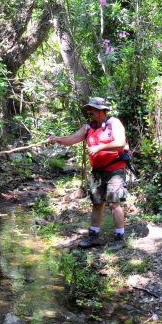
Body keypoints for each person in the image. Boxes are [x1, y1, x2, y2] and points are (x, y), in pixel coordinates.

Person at [48, 97, 127, 250]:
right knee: (97, 203)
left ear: (102, 111)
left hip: (115, 169)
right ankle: (93, 236)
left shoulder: (114, 123)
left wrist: (99, 148)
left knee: (114, 203)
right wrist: (56, 139)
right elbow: (72, 139)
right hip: (98, 171)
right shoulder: (88, 127)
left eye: (93, 110)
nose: (89, 113)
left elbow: (120, 143)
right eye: (89, 110)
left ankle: (119, 238)